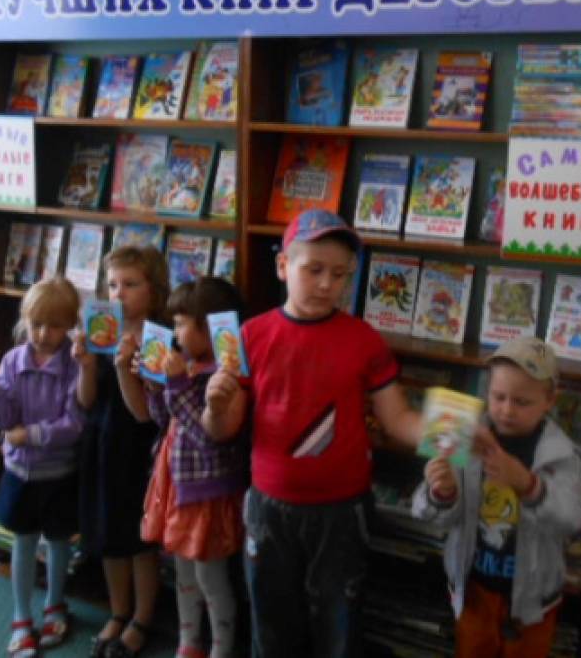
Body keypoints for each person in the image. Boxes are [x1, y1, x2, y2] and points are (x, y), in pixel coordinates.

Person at [204, 209, 423, 658]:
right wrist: (214, 406)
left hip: (341, 511)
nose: (327, 284)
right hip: (269, 508)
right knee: (272, 626)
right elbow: (222, 430)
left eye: (340, 275)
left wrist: (458, 439)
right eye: (314, 270)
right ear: (283, 266)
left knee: (338, 627)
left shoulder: (364, 341)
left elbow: (399, 419)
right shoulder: (251, 336)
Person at [412, 337, 581, 658]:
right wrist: (442, 492)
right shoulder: (464, 436)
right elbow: (427, 514)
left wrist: (528, 485)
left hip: (534, 601)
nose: (507, 410)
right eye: (498, 397)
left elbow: (573, 520)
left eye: (522, 402)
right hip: (474, 591)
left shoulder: (561, 454)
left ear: (550, 400)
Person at [124, 277, 248, 658]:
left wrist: (176, 383)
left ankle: (221, 649)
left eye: (180, 324)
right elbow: (164, 420)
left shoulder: (225, 377)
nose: (175, 333)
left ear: (209, 328)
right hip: (178, 487)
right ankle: (189, 644)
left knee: (212, 579)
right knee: (184, 575)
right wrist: (154, 386)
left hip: (208, 493)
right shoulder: (190, 368)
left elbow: (207, 435)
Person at [0, 277, 84, 658]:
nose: (43, 334)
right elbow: (4, 417)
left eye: (54, 325)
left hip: (59, 473)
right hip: (21, 473)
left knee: (59, 541)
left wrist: (30, 435)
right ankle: (21, 615)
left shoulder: (74, 366)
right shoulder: (14, 361)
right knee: (24, 541)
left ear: (70, 325)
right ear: (25, 320)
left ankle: (55, 604)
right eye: (36, 324)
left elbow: (73, 424)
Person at [73, 246, 169, 658]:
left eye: (130, 284)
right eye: (112, 285)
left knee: (139, 537)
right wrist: (86, 365)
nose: (119, 293)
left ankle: (142, 618)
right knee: (107, 530)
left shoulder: (158, 337)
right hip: (102, 441)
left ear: (154, 289)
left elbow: (145, 414)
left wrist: (123, 366)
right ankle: (118, 610)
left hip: (138, 447)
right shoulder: (102, 331)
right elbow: (86, 401)